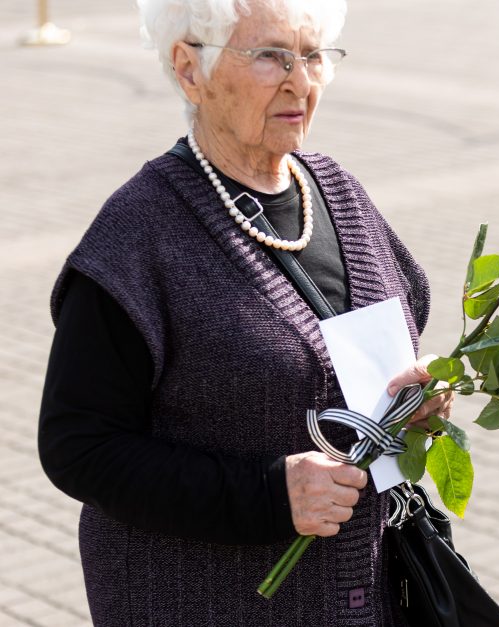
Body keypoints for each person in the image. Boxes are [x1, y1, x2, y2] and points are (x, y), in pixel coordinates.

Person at [37, 0, 451, 624]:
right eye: (269, 57)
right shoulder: (139, 235)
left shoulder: (339, 193)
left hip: (360, 597)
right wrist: (265, 493)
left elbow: (389, 339)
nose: (300, 82)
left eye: (312, 56)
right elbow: (78, 446)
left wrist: (412, 406)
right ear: (189, 69)